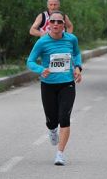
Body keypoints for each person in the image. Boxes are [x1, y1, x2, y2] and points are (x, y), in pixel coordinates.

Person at [26, 11, 82, 166]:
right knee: (52, 120)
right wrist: (40, 70)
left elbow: (77, 54)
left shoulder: (71, 39)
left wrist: (78, 67)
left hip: (67, 84)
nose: (56, 24)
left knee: (64, 117)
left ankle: (60, 153)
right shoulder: (42, 42)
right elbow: (30, 61)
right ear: (49, 24)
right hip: (48, 85)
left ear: (64, 24)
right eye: (53, 21)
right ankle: (52, 130)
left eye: (59, 22)